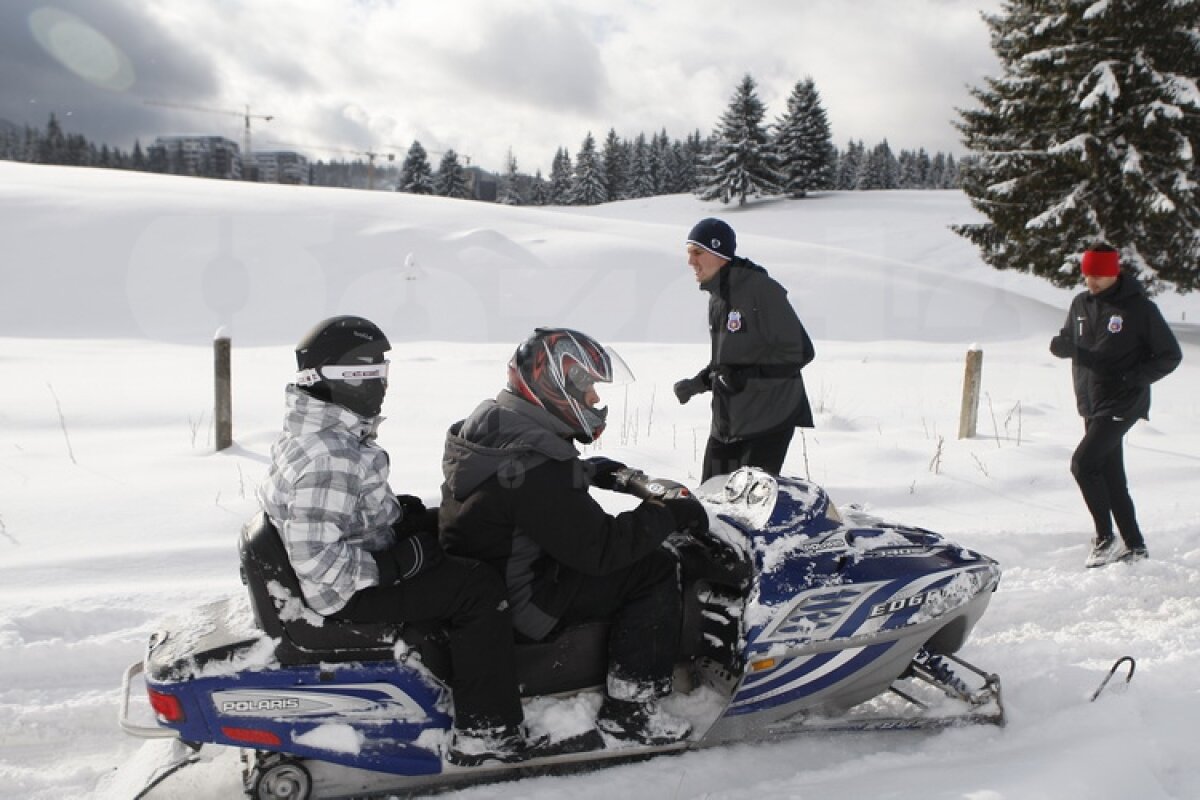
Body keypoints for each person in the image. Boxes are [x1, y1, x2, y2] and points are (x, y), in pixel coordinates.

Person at [257, 315, 539, 767]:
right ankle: (487, 731)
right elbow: (318, 564)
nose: (382, 385)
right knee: (479, 588)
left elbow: (339, 515)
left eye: (384, 372)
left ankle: (456, 659)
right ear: (341, 379)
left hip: (357, 557)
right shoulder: (331, 455)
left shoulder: (320, 433)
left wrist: (402, 517)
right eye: (372, 373)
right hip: (343, 593)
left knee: (453, 530)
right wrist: (394, 566)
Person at [438, 327, 710, 746]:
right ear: (554, 388)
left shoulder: (492, 426)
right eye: (587, 390)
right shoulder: (536, 468)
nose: (595, 401)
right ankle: (632, 711)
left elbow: (522, 496)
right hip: (524, 604)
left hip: (496, 577)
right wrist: (667, 513)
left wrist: (584, 470)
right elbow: (602, 548)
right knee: (654, 567)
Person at [1049, 245, 1182, 568]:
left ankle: (1105, 538)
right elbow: (1069, 338)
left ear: (1114, 273)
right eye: (1087, 274)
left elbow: (1170, 355)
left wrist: (1134, 377)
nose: (1090, 281)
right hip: (1091, 400)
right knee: (1110, 475)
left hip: (1123, 401)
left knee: (1083, 464)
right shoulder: (1081, 304)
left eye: (1097, 275)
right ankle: (1135, 545)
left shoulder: (1140, 309)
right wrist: (1061, 346)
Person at [673, 218, 816, 481]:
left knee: (748, 509)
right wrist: (697, 383)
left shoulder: (761, 290)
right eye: (689, 253)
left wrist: (743, 379)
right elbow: (728, 361)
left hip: (768, 420)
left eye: (697, 252)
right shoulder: (718, 298)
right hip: (728, 422)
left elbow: (800, 351)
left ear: (720, 254)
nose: (690, 261)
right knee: (710, 501)